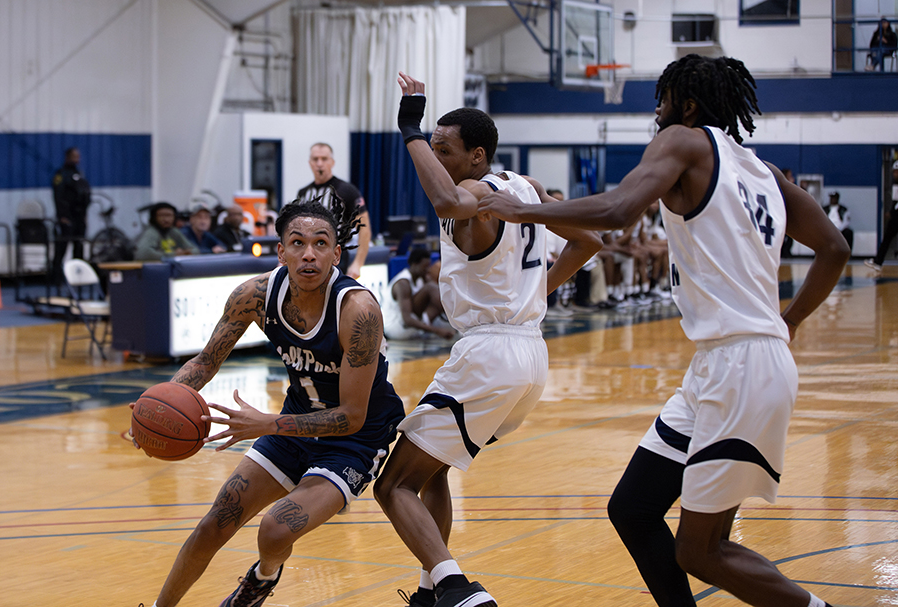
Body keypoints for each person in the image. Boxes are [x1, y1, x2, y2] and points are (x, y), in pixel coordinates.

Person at [478, 54, 850, 607]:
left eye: (664, 98)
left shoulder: (683, 141)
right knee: (632, 508)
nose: (657, 110)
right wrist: (787, 324)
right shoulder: (763, 172)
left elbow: (620, 209)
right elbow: (835, 249)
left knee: (701, 551)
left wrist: (521, 210)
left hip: (741, 366)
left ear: (689, 105)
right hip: (720, 366)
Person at [373, 72, 602, 607]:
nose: (435, 157)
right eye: (431, 148)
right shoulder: (526, 187)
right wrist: (536, 290)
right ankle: (432, 590)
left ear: (476, 157)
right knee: (435, 468)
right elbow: (588, 240)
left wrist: (409, 129)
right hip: (529, 352)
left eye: (443, 149)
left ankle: (457, 591)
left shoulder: (472, 192)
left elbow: (452, 203)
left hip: (490, 354)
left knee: (393, 485)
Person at [134, 198, 405, 607]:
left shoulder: (358, 310)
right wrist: (154, 406)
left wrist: (267, 424)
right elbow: (206, 361)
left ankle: (261, 578)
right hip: (295, 422)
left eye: (320, 243)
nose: (308, 253)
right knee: (214, 524)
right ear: (280, 251)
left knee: (276, 529)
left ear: (336, 253)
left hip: (357, 437)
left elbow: (351, 416)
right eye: (297, 243)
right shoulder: (254, 296)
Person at [295, 143, 371, 278]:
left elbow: (364, 228)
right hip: (306, 258)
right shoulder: (303, 193)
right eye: (315, 159)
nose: (319, 164)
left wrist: (358, 264)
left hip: (336, 259)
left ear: (332, 162)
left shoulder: (347, 191)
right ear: (309, 163)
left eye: (324, 159)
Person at [382, 247, 454, 340]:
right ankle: (460, 320)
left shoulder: (421, 278)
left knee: (433, 291)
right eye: (425, 266)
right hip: (396, 328)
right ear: (414, 264)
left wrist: (426, 279)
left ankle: (456, 320)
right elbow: (407, 319)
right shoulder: (402, 283)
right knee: (431, 288)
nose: (428, 269)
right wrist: (437, 331)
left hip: (411, 326)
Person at [51, 147, 91, 282]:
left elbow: (84, 194)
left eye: (78, 156)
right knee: (62, 246)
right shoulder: (61, 174)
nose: (77, 159)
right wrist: (62, 215)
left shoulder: (78, 173)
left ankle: (78, 276)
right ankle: (55, 277)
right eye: (74, 156)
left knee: (78, 246)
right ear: (68, 157)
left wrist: (85, 213)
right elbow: (58, 196)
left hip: (79, 215)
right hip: (67, 216)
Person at [133, 202, 199, 261]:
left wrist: (186, 252)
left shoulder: (174, 231)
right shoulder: (151, 232)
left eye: (169, 215)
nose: (166, 219)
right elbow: (142, 254)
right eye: (162, 216)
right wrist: (173, 254)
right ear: (154, 217)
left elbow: (195, 250)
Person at [865, 159, 898, 272]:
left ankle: (878, 261)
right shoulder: (895, 185)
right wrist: (891, 212)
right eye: (894, 171)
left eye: (896, 172)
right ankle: (878, 262)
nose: (894, 174)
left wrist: (892, 212)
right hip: (896, 218)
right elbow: (895, 202)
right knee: (887, 238)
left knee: (887, 238)